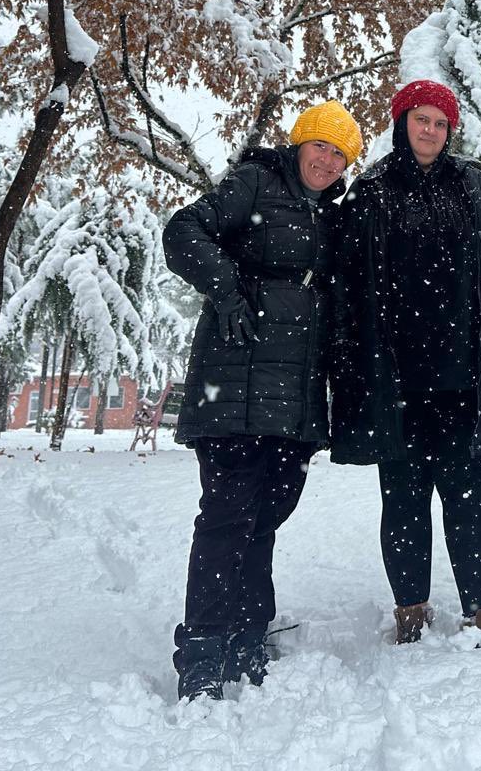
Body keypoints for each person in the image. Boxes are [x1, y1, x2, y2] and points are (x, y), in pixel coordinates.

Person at [162, 101, 362, 700]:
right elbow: (183, 232)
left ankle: (248, 635)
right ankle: (203, 649)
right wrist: (228, 292)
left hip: (295, 397)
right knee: (228, 516)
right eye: (320, 145)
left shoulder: (332, 217)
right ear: (298, 144)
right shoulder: (254, 182)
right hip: (235, 382)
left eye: (340, 153)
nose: (327, 161)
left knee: (268, 515)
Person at [330, 79, 481, 645]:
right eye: (422, 119)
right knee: (403, 502)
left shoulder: (474, 186)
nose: (431, 131)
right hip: (394, 383)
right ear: (402, 123)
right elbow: (346, 285)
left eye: (441, 123)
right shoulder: (371, 191)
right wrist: (346, 360)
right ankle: (411, 613)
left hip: (465, 380)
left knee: (471, 502)